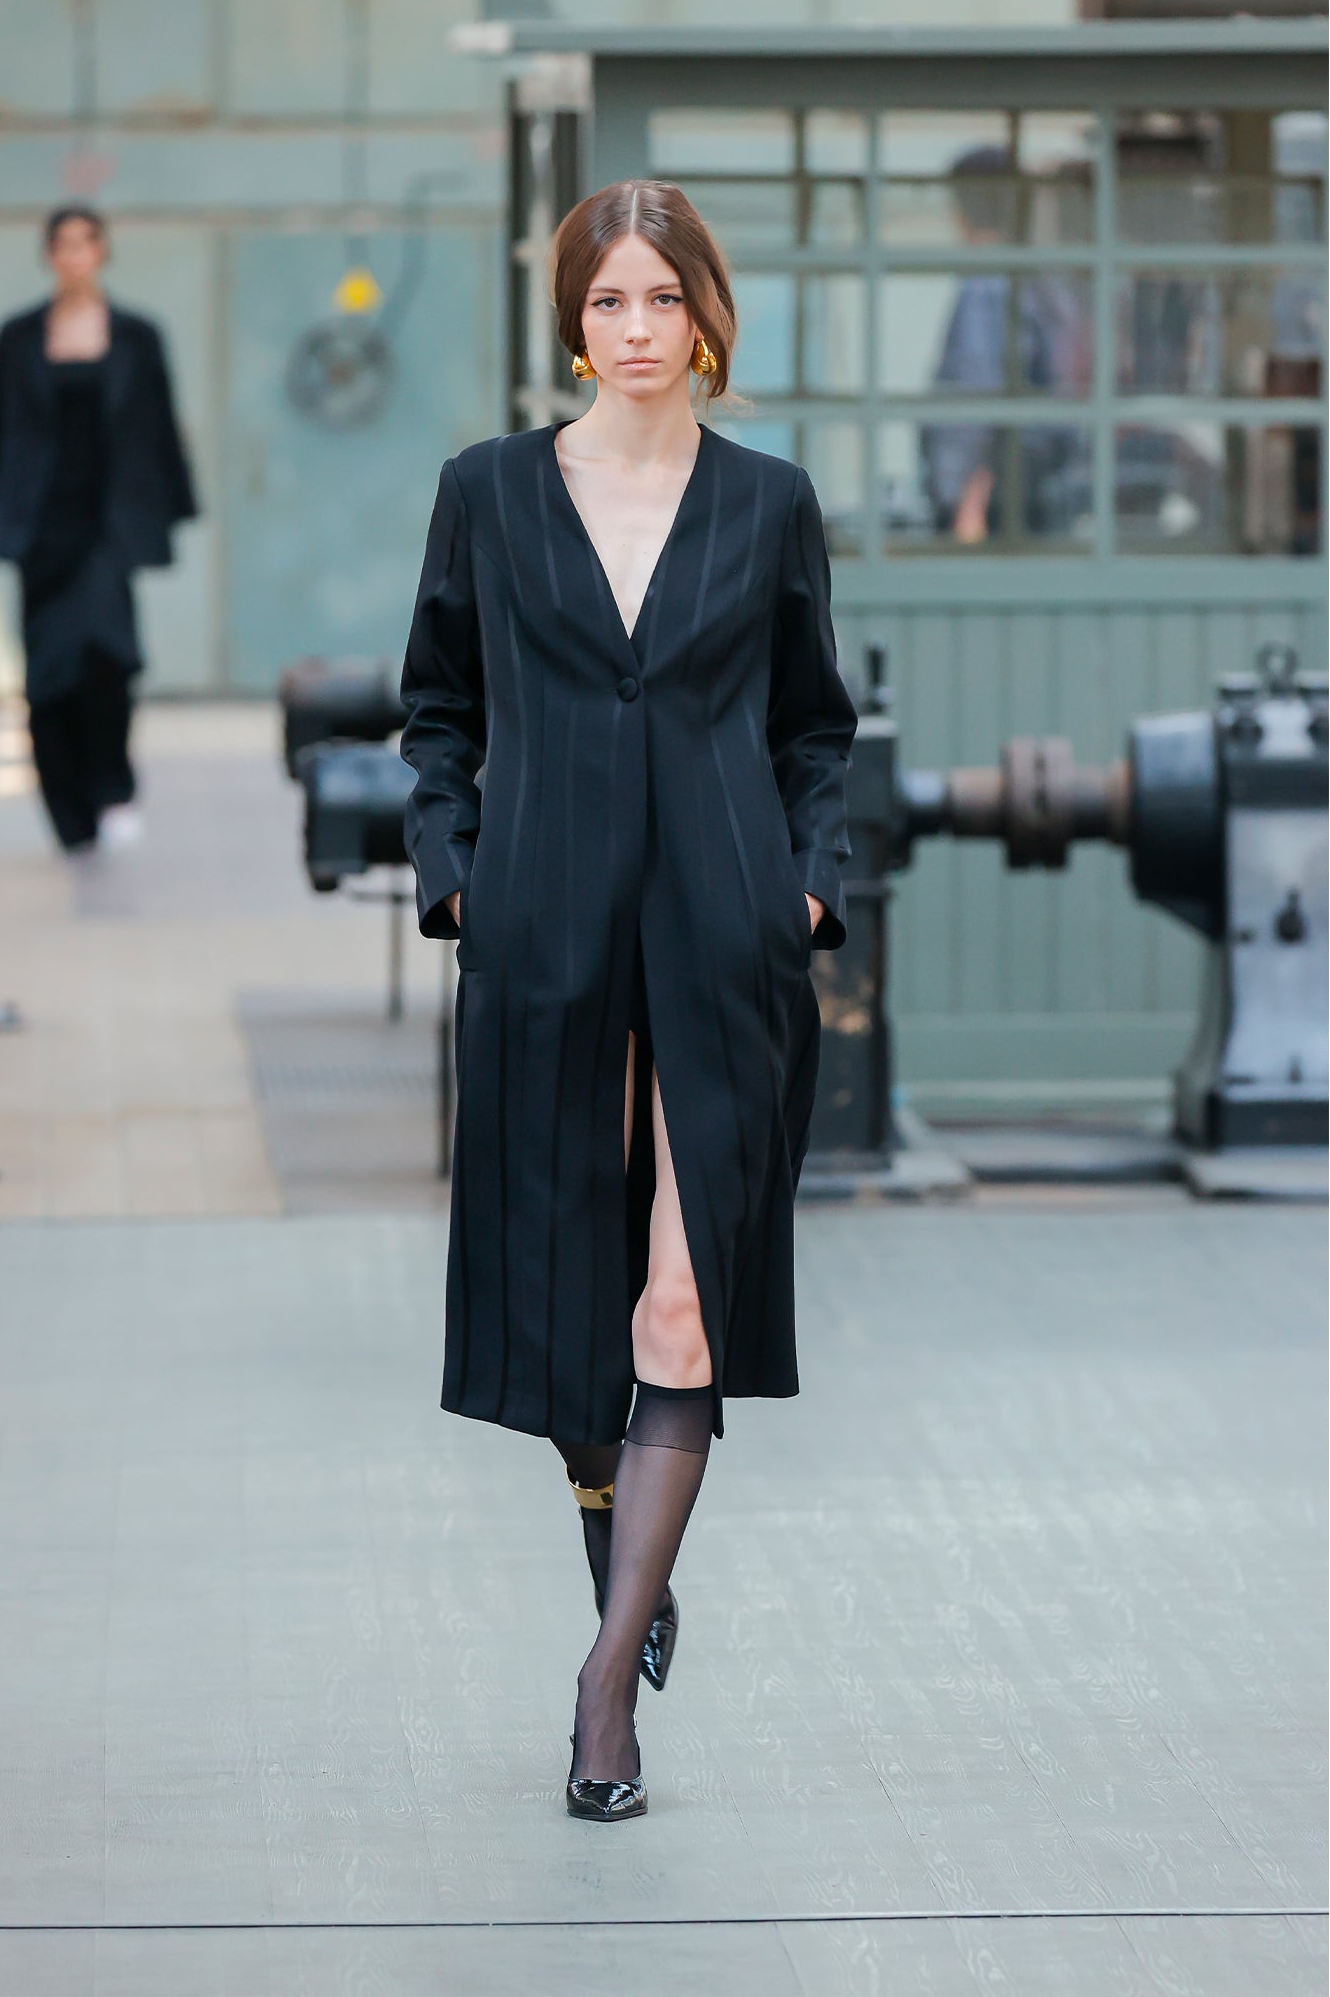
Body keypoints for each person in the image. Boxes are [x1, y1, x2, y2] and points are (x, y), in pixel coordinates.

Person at [397, 180, 857, 1824]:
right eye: (610, 303)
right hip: (545, 940)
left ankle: (604, 1686)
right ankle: (630, 1578)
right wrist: (455, 867)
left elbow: (816, 726)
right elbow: (436, 706)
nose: (640, 329)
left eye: (667, 299)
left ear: (709, 315)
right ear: (572, 322)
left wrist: (810, 876)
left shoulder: (768, 503)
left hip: (724, 947)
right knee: (573, 1317)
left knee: (679, 1310)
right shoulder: (492, 493)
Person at [0, 203, 198, 852]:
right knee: (47, 676)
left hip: (109, 525)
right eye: (62, 244)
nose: (74, 255)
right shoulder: (16, 337)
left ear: (101, 252)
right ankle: (67, 812)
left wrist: (175, 508)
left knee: (108, 661)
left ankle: (112, 787)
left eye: (85, 242)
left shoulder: (137, 335)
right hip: (41, 526)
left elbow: (158, 423)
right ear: (48, 254)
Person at [920, 146, 1090, 546]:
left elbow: (976, 401)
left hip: (989, 506)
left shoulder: (987, 285)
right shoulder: (1039, 283)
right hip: (1037, 491)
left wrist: (968, 501)